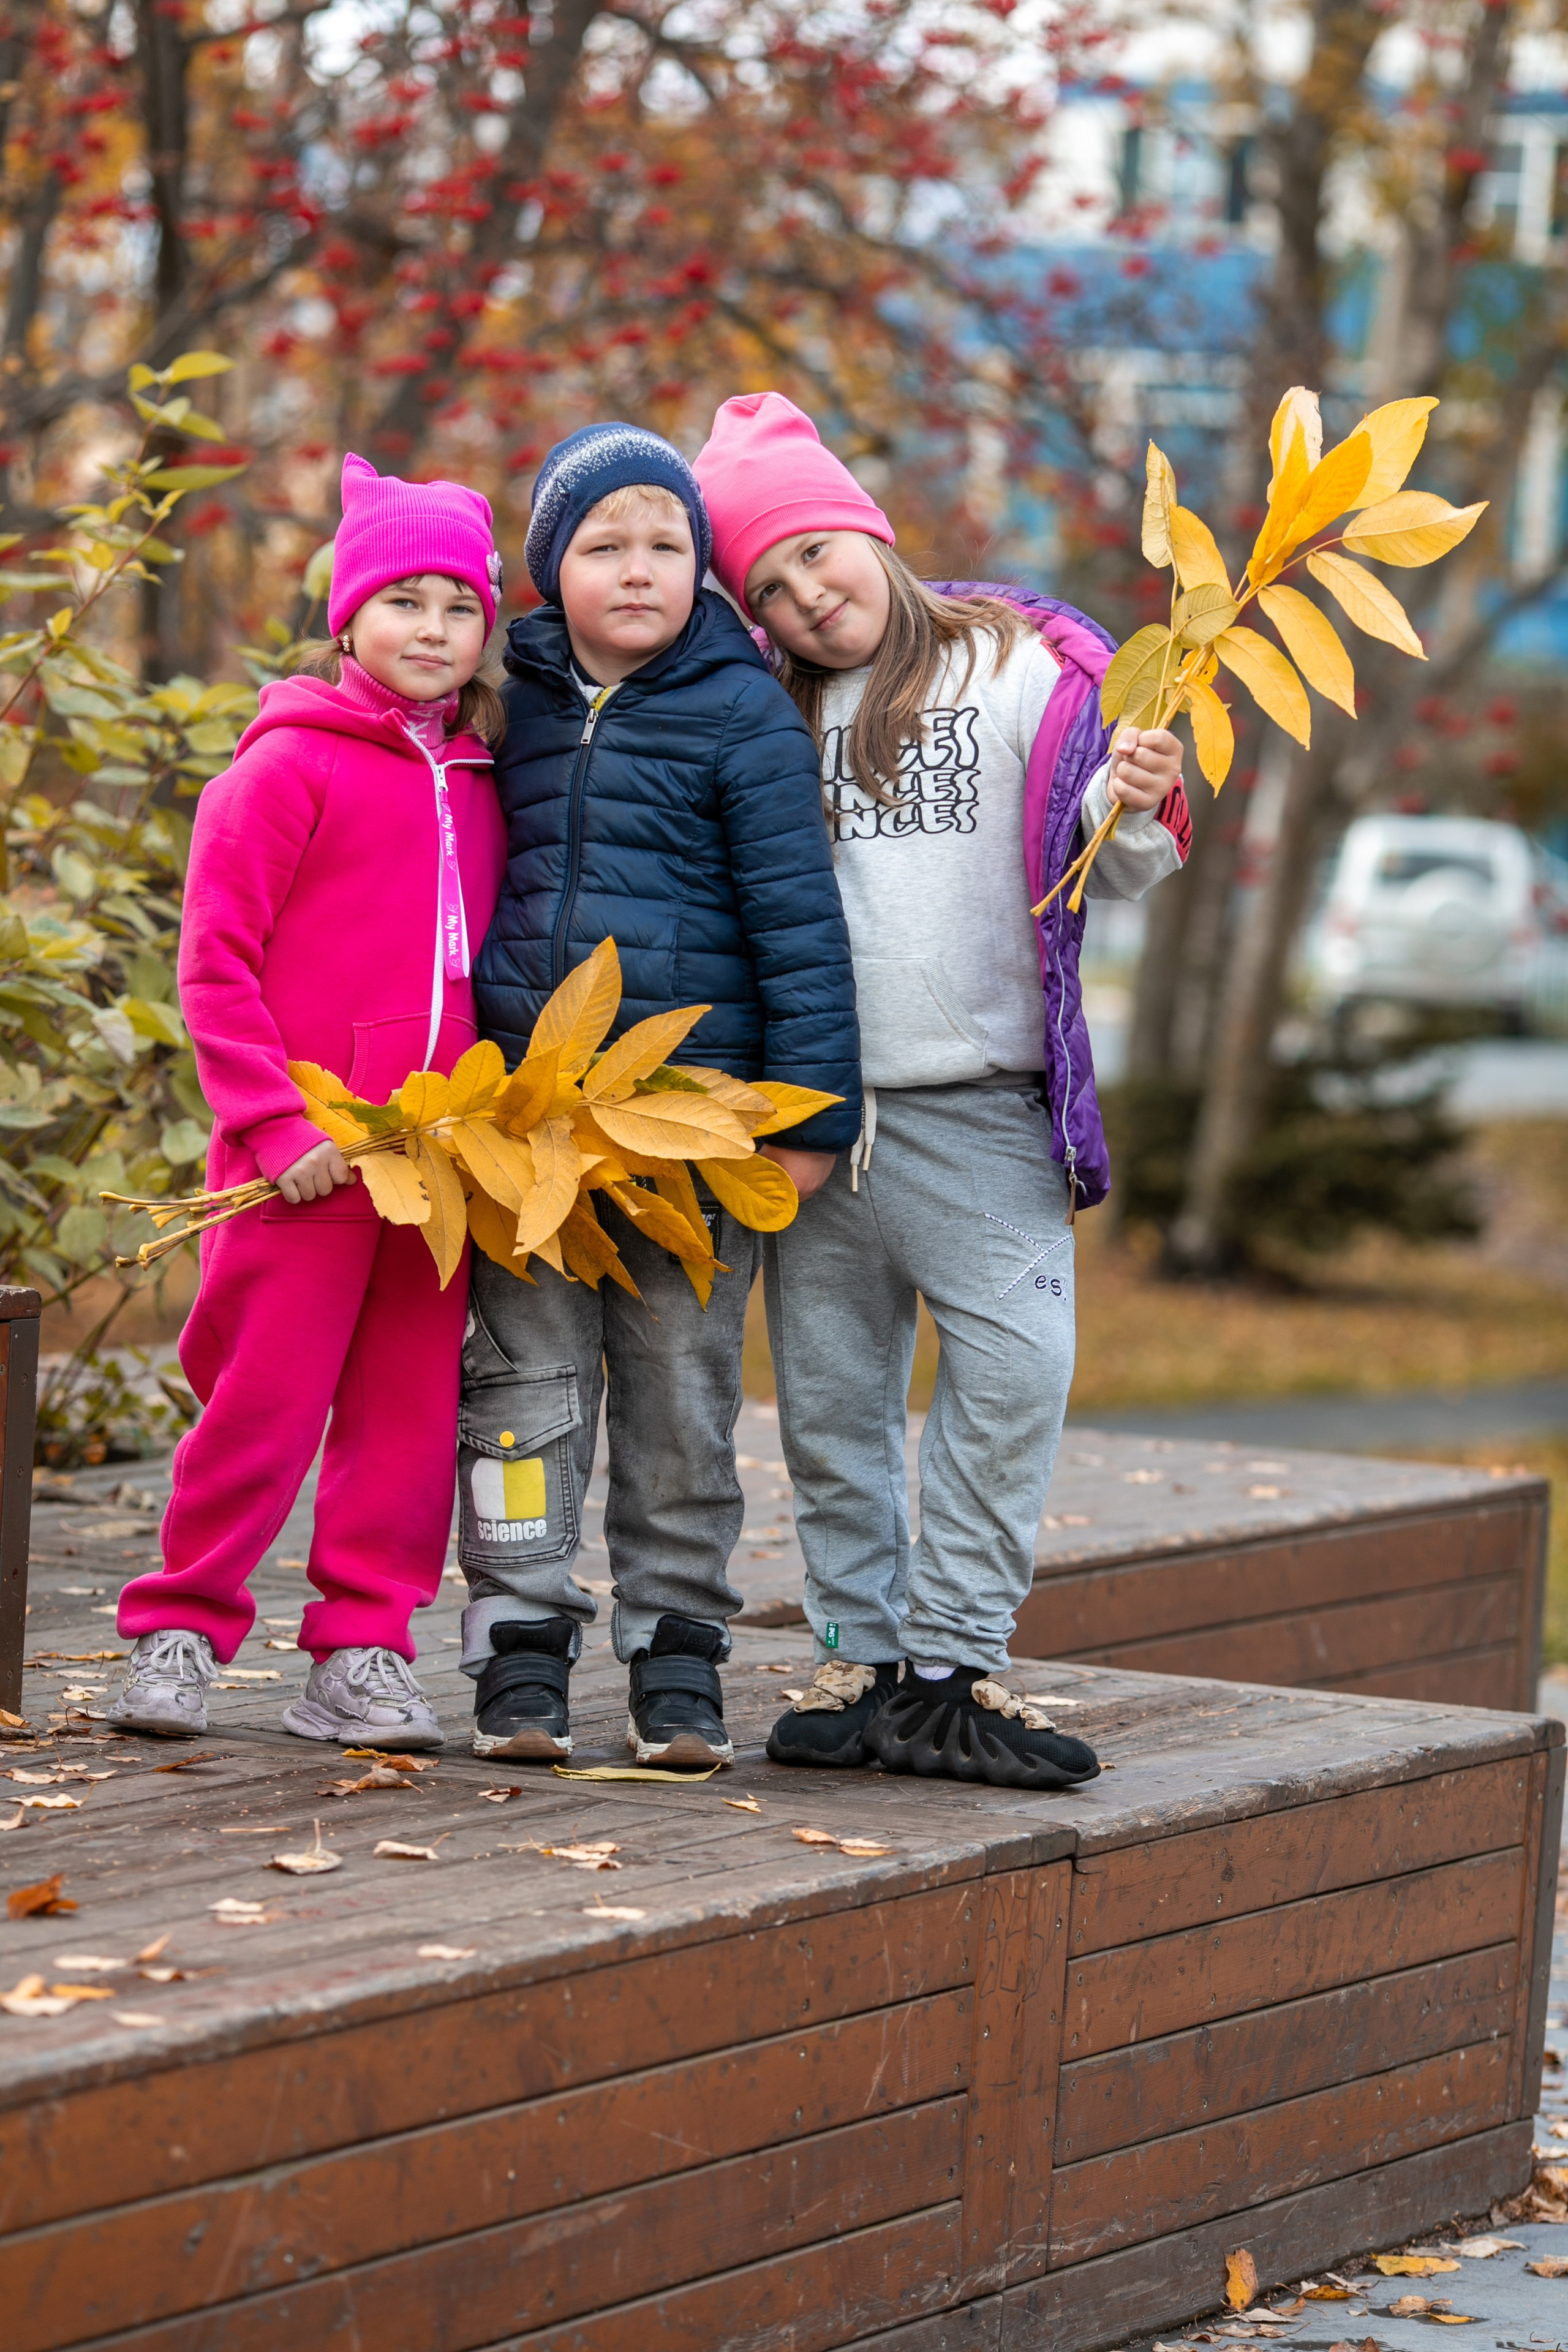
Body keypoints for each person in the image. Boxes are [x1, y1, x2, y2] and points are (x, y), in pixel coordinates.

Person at [692, 391, 1191, 1790]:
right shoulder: (767, 710)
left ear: (865, 525)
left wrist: (1131, 801)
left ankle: (952, 1663)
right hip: (823, 1124)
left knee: (1015, 1373)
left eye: (813, 555)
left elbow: (1106, 860)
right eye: (770, 589)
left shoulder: (1021, 664)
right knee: (834, 1400)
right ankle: (859, 1658)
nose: (805, 598)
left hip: (982, 1106)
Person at [459, 422, 860, 1771]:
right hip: (527, 1128)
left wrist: (806, 1116)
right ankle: (517, 1636)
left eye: (667, 547)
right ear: (545, 566)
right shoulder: (498, 689)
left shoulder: (738, 707)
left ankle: (677, 1648)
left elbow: (798, 921)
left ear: (704, 567)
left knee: (682, 1389)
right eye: (603, 546)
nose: (637, 571)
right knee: (520, 1383)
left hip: (690, 1125)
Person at [108, 454, 508, 1749]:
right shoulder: (285, 768)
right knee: (261, 1403)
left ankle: (360, 1650)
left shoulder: (487, 780)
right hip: (300, 1160)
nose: (433, 630)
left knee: (405, 1415)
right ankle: (179, 1624)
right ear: (348, 618)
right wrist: (279, 1125)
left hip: (433, 1163)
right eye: (406, 603)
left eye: (460, 608)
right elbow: (213, 964)